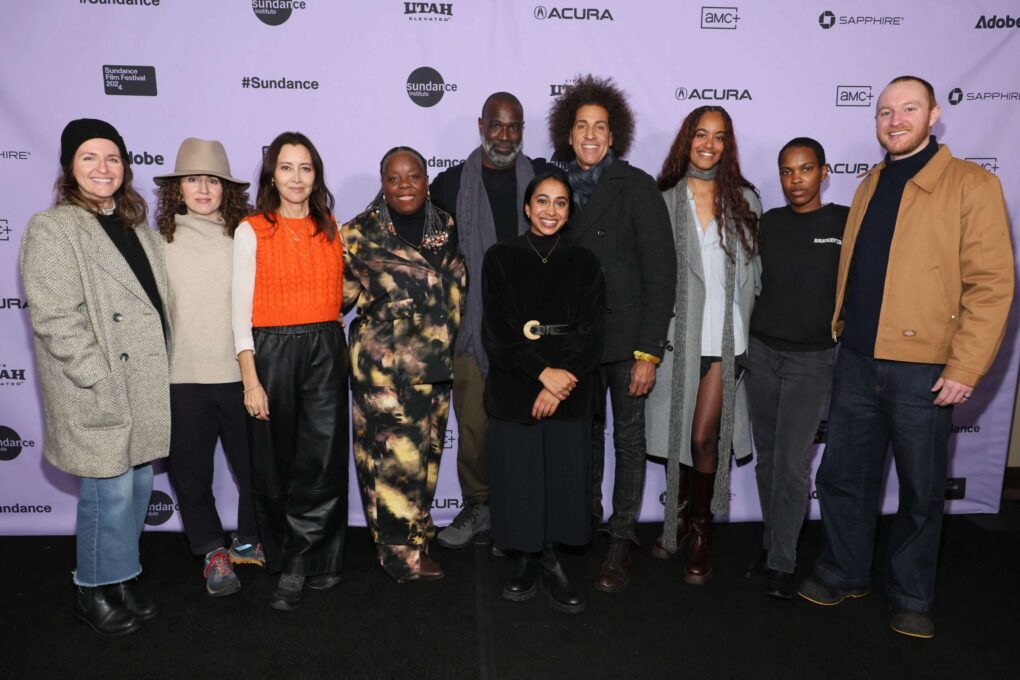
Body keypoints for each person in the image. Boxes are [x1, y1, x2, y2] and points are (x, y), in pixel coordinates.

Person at [798, 76, 1013, 639]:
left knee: (921, 491)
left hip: (924, 368)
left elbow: (991, 284)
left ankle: (912, 594)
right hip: (859, 358)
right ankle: (844, 571)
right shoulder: (870, 182)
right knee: (844, 475)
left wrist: (965, 368)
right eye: (885, 111)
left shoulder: (972, 184)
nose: (895, 120)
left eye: (908, 109)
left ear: (934, 115)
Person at [20, 118, 171, 635]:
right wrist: (97, 376)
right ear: (69, 167)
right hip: (98, 387)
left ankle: (120, 577)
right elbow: (55, 317)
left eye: (112, 158)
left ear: (125, 166)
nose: (103, 168)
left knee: (136, 486)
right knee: (107, 496)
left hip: (145, 383)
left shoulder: (138, 229)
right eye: (89, 157)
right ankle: (91, 588)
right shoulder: (53, 227)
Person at [547, 74, 677, 592]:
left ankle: (621, 541)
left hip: (627, 343)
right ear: (568, 133)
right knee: (582, 437)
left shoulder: (637, 186)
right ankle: (586, 521)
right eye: (582, 126)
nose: (591, 135)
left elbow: (661, 274)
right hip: (576, 345)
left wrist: (648, 352)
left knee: (628, 440)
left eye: (600, 127)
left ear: (614, 134)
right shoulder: (553, 191)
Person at [231, 131, 348, 612]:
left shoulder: (331, 227)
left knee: (320, 461)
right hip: (271, 348)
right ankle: (288, 555)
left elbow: (339, 294)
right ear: (271, 174)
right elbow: (239, 311)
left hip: (324, 344)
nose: (296, 177)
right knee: (275, 464)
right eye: (286, 167)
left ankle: (309, 562)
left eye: (305, 168)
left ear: (316, 174)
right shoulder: (251, 229)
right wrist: (250, 378)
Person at [646, 106, 762, 586]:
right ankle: (675, 515)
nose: (709, 144)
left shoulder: (746, 200)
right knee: (676, 437)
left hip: (725, 336)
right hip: (678, 338)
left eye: (719, 136)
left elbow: (755, 276)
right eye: (700, 134)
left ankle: (700, 532)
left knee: (701, 437)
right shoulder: (663, 199)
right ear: (686, 140)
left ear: (727, 144)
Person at [482, 171, 606, 613]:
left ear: (569, 210)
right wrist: (542, 373)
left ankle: (552, 557)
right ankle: (527, 558)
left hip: (570, 390)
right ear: (527, 206)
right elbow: (496, 332)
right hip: (517, 386)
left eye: (560, 203)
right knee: (520, 477)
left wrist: (560, 382)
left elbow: (592, 332)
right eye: (542, 201)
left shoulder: (585, 262)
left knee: (562, 477)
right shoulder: (499, 257)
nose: (550, 211)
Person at [430, 92, 548, 551]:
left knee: (521, 429)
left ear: (522, 130)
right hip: (471, 329)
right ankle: (479, 506)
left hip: (528, 332)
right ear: (481, 125)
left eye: (513, 127)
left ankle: (517, 514)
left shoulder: (541, 180)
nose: (504, 136)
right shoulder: (449, 185)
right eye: (496, 126)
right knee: (475, 429)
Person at [342, 146, 466, 582]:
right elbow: (337, 299)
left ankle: (416, 532)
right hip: (386, 373)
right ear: (383, 183)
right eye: (394, 179)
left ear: (426, 179)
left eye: (412, 176)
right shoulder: (357, 234)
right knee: (394, 465)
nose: (404, 186)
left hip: (437, 366)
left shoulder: (445, 225)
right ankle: (401, 558)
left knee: (426, 459)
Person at [154, 138, 263, 597]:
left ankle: (252, 539)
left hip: (242, 376)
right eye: (193, 179)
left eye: (212, 180)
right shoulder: (156, 238)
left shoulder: (247, 234)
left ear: (226, 188)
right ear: (177, 188)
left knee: (258, 469)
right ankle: (213, 551)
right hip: (182, 379)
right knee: (191, 474)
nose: (203, 188)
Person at [744, 138, 847, 599]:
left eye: (805, 170)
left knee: (790, 463)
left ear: (823, 172)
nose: (795, 180)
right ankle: (773, 545)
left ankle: (783, 562)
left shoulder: (844, 223)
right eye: (787, 171)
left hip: (812, 360)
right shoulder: (769, 223)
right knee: (767, 459)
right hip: (762, 352)